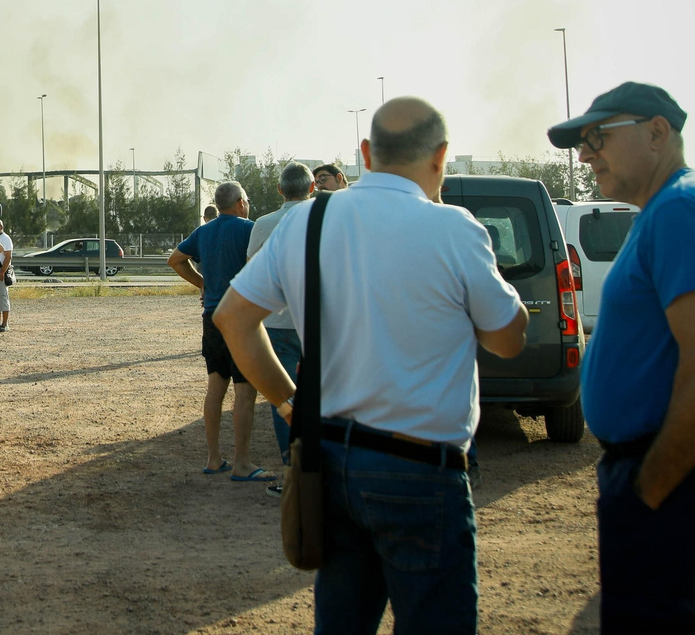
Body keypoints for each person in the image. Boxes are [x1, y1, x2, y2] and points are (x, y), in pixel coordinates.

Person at [216, 97, 528, 633]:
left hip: (331, 463)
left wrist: (290, 404)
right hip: (422, 470)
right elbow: (507, 340)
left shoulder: (307, 221)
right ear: (442, 157)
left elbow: (232, 318)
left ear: (364, 153)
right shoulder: (456, 229)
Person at [547, 82, 695, 632]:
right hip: (694, 465)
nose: (584, 154)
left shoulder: (682, 210)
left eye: (599, 136)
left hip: (684, 469)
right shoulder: (676, 206)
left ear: (657, 132)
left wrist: (647, 491)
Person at [168, 182, 269, 482]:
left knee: (216, 387)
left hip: (212, 317)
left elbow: (175, 260)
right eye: (247, 200)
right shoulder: (250, 229)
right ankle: (243, 463)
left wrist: (202, 284)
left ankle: (214, 458)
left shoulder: (204, 231)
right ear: (239, 203)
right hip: (241, 318)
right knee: (245, 391)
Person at [244, 162, 314, 489]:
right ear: (312, 188)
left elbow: (251, 268)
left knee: (284, 397)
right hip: (318, 321)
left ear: (279, 189)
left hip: (277, 321)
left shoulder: (264, 224)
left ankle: (292, 471)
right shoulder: (327, 218)